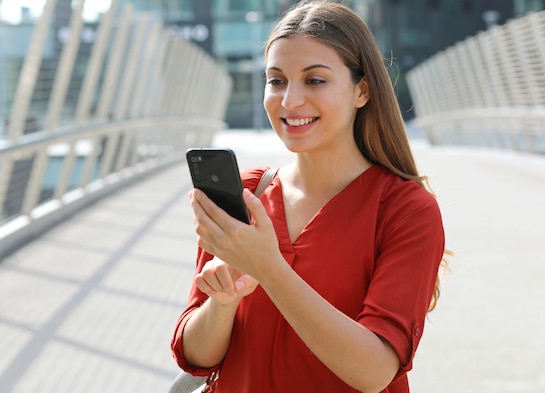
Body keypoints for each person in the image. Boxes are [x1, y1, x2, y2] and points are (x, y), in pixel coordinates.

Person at [171, 1, 448, 392]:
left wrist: (269, 269)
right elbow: (197, 357)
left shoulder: (406, 210)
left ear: (362, 91)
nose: (289, 101)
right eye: (276, 80)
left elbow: (374, 372)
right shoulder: (249, 192)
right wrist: (223, 302)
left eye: (315, 80)